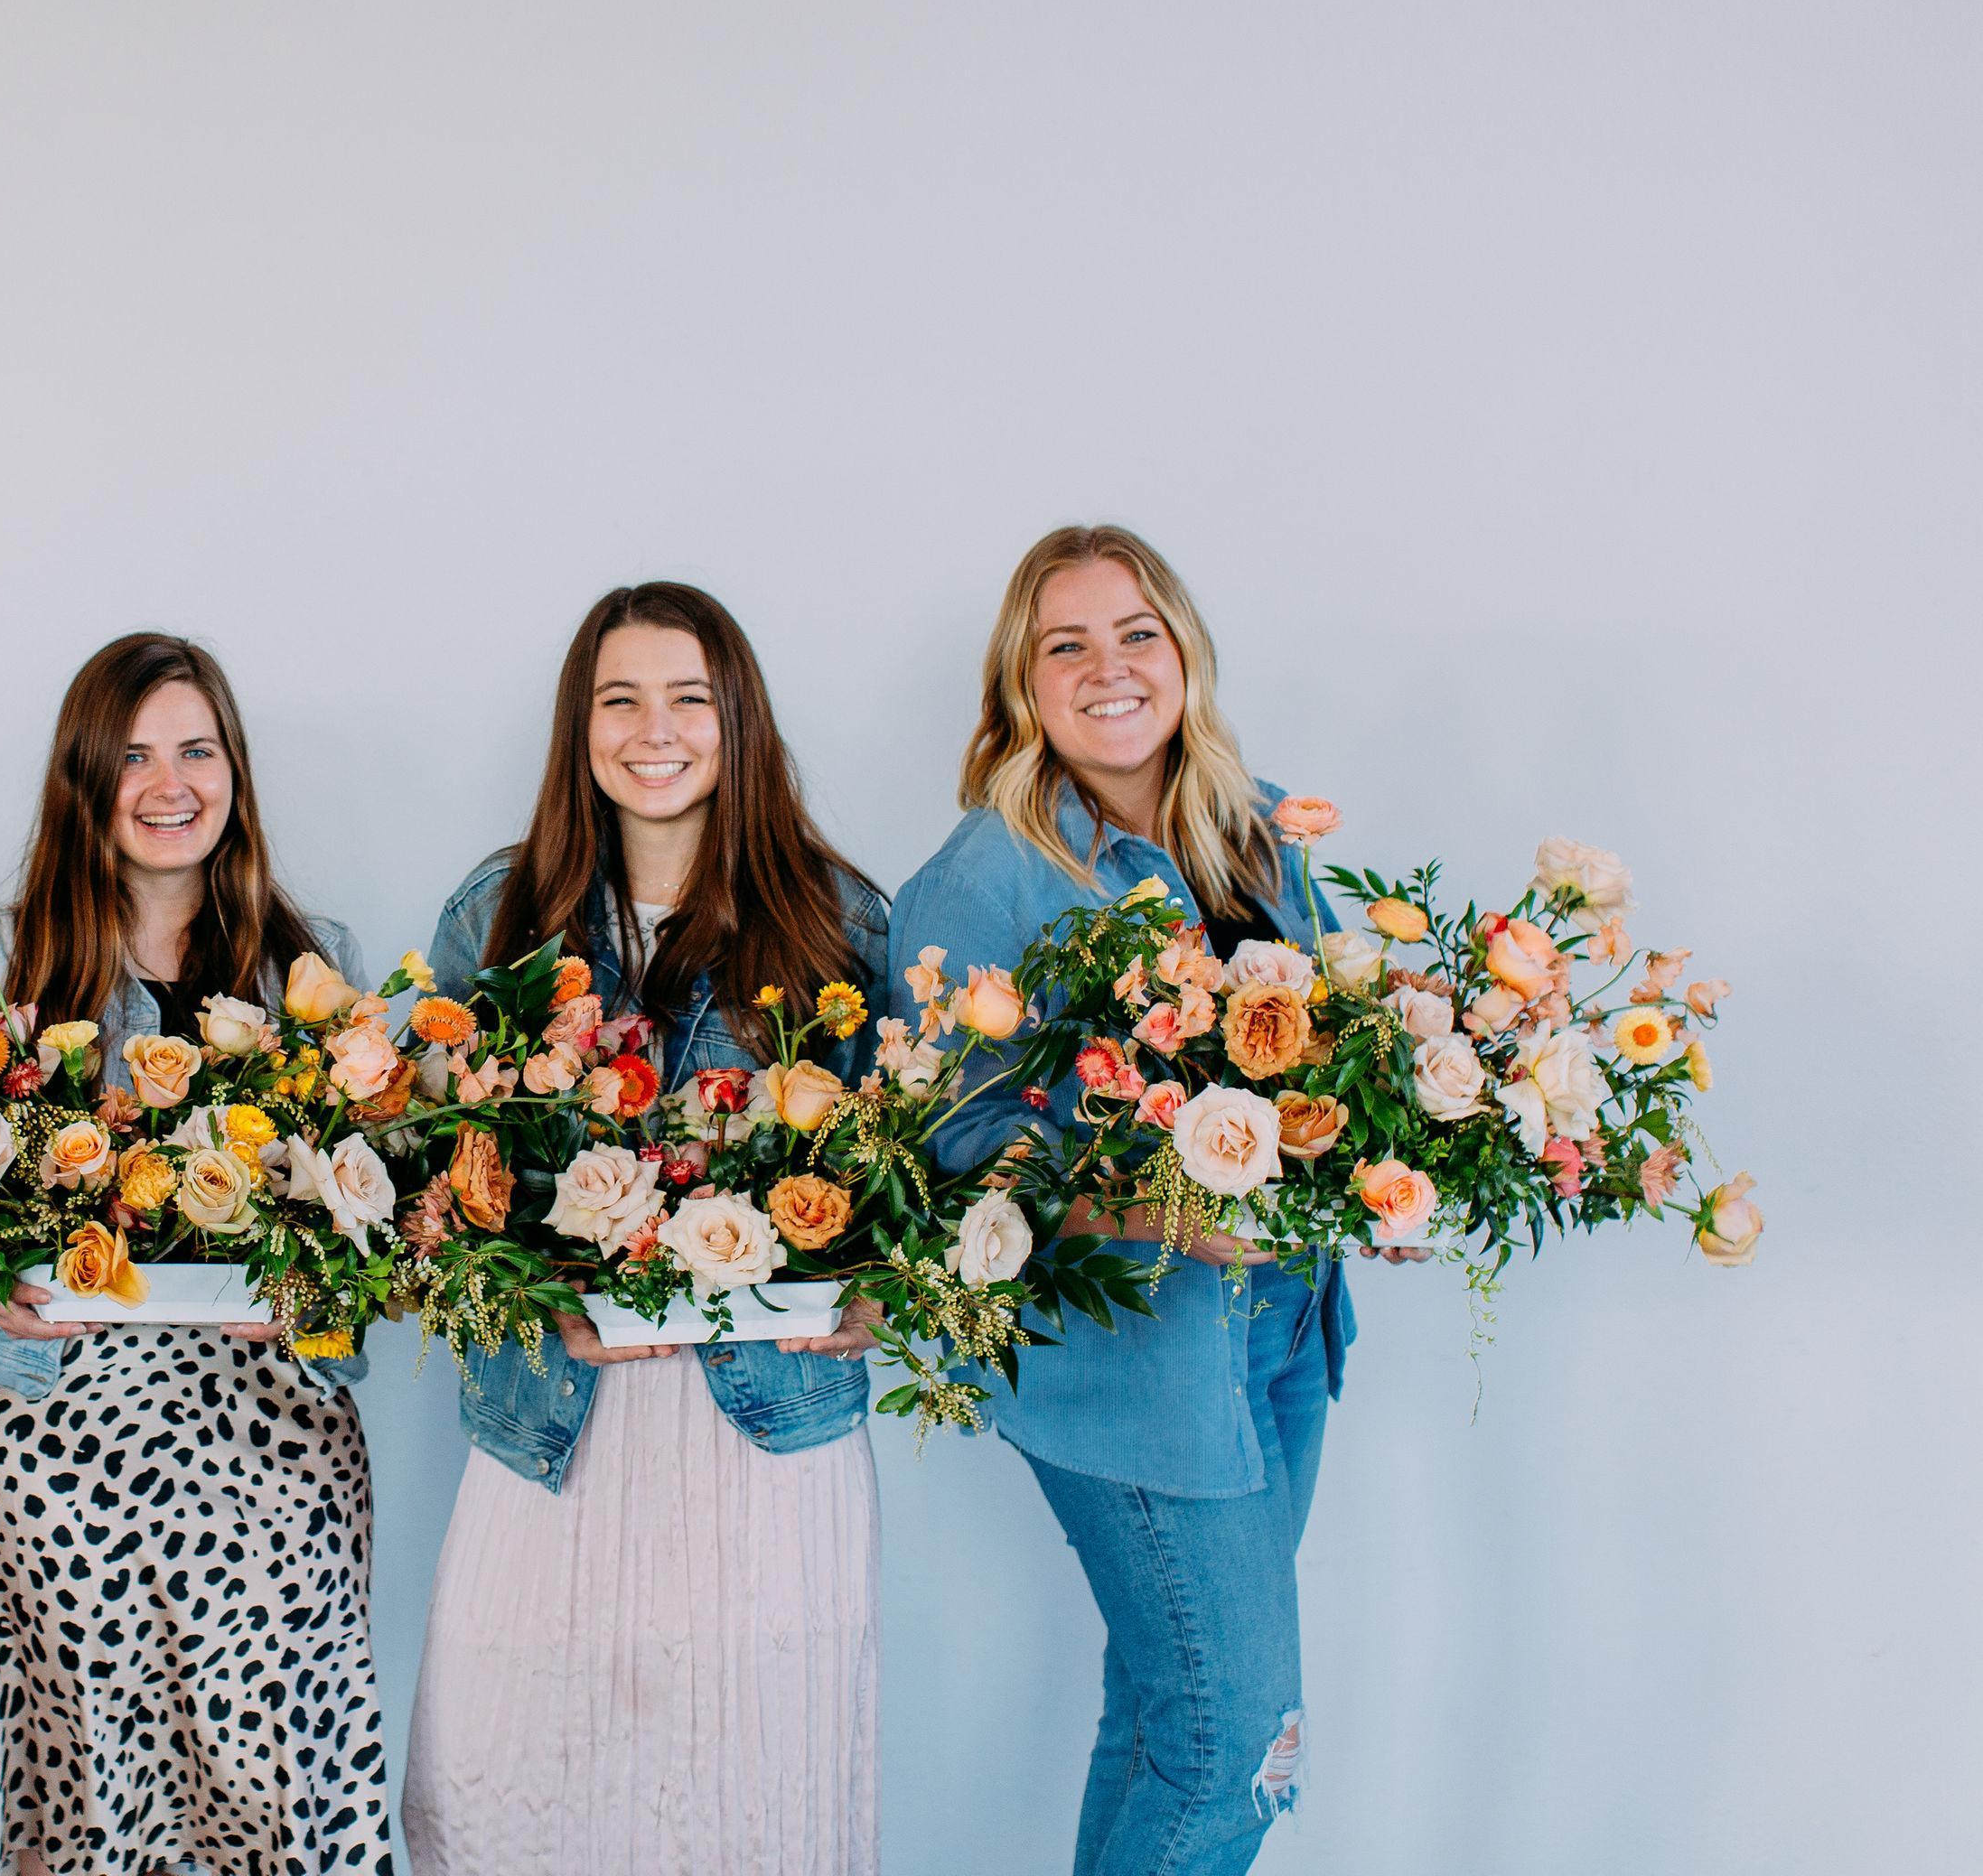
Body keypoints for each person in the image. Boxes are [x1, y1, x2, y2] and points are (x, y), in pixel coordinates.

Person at [891, 524, 1380, 1876]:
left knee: (1173, 1724)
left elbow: (1338, 1054)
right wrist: (1154, 1214)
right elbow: (949, 1158)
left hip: (1283, 1332)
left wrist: (1388, 1162)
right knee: (1238, 1752)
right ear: (1022, 685)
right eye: (1067, 645)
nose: (1109, 668)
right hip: (1139, 1369)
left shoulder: (1257, 830)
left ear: (1184, 654)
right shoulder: (986, 878)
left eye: (1136, 634)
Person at [399, 581, 888, 1876]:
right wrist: (522, 1288)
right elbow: (413, 1179)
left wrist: (886, 1284)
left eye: (689, 698)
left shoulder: (837, 920)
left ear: (740, 721)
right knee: (514, 1790)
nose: (654, 730)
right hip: (551, 1432)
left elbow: (917, 1171)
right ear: (581, 726)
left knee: (749, 1795)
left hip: (768, 1443)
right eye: (620, 700)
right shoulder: (498, 915)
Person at [0, 632, 391, 1876]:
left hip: (272, 1458)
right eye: (131, 755)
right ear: (84, 774)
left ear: (235, 771)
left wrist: (317, 1306)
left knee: (276, 1804)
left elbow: (372, 1246)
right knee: (84, 1815)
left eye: (197, 750)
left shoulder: (318, 967)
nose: (169, 784)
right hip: (52, 1461)